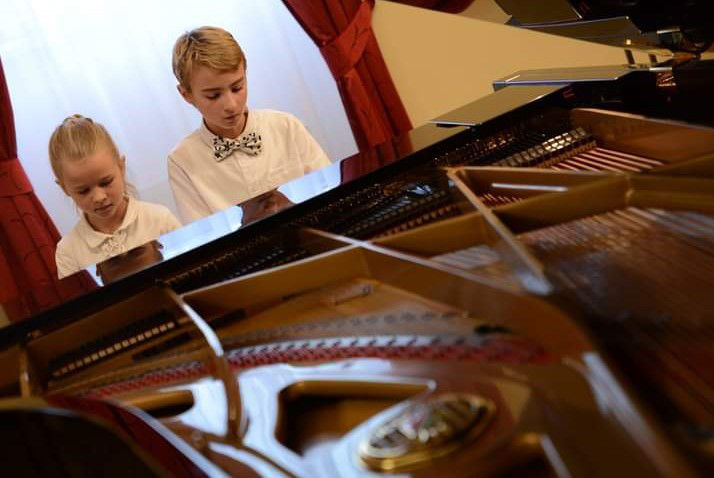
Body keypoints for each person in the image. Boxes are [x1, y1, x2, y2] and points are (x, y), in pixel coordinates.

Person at [168, 26, 331, 224]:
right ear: (186, 94)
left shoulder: (285, 126)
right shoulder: (182, 161)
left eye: (237, 87)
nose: (231, 104)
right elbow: (206, 232)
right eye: (214, 95)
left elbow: (329, 193)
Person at [50, 114, 181, 279]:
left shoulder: (160, 219)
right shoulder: (68, 253)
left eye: (106, 182)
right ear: (64, 188)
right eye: (83, 191)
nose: (99, 197)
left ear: (121, 167)